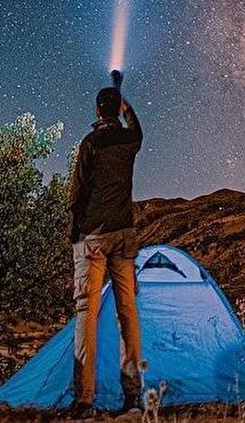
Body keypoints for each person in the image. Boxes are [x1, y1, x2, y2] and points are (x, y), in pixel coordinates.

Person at [68, 81, 144, 417]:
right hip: (123, 236)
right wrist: (127, 108)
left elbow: (78, 191)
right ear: (117, 109)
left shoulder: (91, 143)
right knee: (127, 311)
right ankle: (133, 394)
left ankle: (85, 399)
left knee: (87, 314)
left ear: (98, 110)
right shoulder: (129, 141)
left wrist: (74, 231)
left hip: (94, 238)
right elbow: (137, 128)